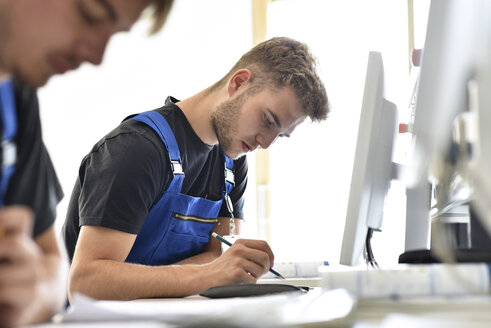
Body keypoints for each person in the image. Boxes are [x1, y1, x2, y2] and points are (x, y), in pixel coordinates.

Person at [63, 36, 330, 301]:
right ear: (239, 83)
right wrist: (208, 274)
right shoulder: (136, 151)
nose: (266, 142)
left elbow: (219, 255)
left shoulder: (233, 164)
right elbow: (86, 283)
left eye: (280, 135)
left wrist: (225, 267)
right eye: (268, 120)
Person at [0, 0, 174, 326]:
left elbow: (54, 267)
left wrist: (33, 291)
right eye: (91, 14)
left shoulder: (15, 95)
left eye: (115, 33)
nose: (96, 57)